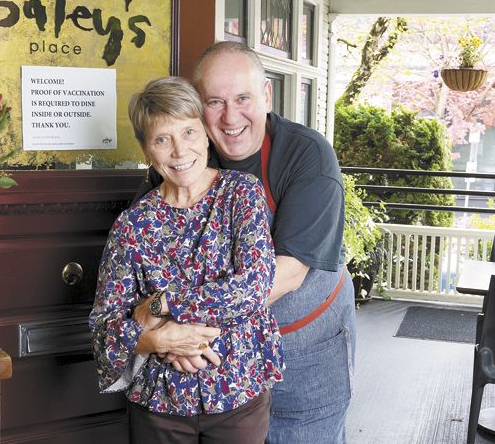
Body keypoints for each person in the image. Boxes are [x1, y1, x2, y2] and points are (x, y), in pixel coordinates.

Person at [139, 41, 355, 444]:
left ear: (267, 96)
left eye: (243, 98)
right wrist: (169, 335)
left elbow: (286, 274)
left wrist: (184, 329)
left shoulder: (306, 155)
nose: (230, 116)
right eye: (214, 102)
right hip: (221, 358)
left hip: (303, 347)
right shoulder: (184, 157)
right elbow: (146, 259)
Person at [90, 76, 284, 444]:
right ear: (147, 150)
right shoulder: (132, 226)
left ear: (207, 135)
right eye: (162, 139)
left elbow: (254, 288)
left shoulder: (241, 195)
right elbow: (104, 331)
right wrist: (159, 341)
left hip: (237, 392)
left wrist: (163, 305)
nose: (179, 151)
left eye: (189, 133)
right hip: (158, 406)